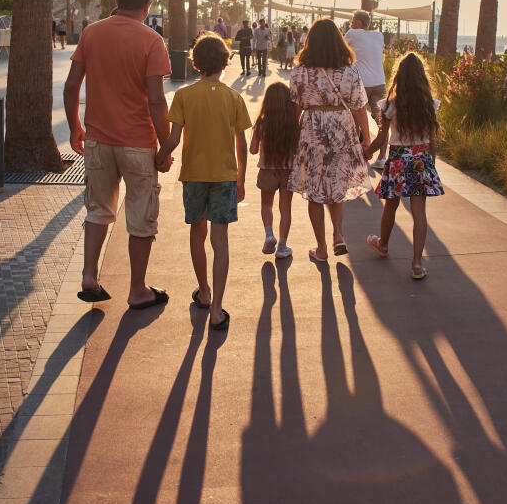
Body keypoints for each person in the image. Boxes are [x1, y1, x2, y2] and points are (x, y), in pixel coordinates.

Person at [63, 0, 172, 310]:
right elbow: (156, 99)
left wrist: (74, 127)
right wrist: (164, 145)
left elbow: (71, 86)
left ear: (116, 0)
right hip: (138, 142)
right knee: (141, 216)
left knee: (98, 209)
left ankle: (89, 276)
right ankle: (138, 289)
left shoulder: (92, 33)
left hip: (98, 138)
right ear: (148, 3)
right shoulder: (151, 40)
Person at [156, 33, 251, 331]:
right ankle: (218, 311)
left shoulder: (184, 96)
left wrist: (158, 158)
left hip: (194, 177)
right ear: (225, 62)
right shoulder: (233, 97)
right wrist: (242, 179)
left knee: (197, 234)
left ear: (195, 63)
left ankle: (204, 291)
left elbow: (173, 139)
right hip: (224, 177)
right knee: (219, 241)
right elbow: (242, 144)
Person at [288, 19, 372, 262]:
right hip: (341, 126)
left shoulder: (300, 71)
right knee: (337, 183)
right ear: (338, 41)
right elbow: (359, 107)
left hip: (312, 127)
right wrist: (365, 139)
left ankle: (322, 248)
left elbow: (295, 107)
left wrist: (294, 137)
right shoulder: (350, 70)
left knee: (315, 190)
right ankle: (338, 235)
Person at [363, 53, 444, 279]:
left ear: (399, 76)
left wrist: (367, 152)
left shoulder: (391, 104)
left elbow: (381, 139)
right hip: (421, 159)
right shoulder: (429, 105)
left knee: (391, 206)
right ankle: (417, 264)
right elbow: (431, 141)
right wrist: (432, 166)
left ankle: (383, 244)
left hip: (398, 159)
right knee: (419, 212)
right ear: (421, 77)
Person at [250, 81, 298, 259]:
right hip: (288, 170)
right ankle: (283, 246)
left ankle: (269, 234)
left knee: (266, 205)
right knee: (285, 208)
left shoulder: (262, 123)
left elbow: (253, 149)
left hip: (267, 170)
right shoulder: (294, 124)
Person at [343, 10, 387, 167]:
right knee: (383, 122)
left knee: (354, 119)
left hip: (361, 83)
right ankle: (382, 158)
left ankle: (355, 155)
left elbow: (342, 49)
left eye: (352, 20)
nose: (351, 23)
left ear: (357, 22)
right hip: (379, 82)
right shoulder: (379, 35)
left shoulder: (352, 33)